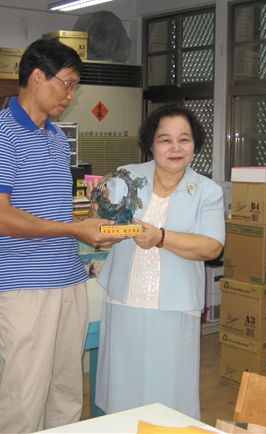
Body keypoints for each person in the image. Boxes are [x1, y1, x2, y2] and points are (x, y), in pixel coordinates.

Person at [0, 38, 118, 434]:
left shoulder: (55, 137)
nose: (71, 95)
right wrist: (73, 229)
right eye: (67, 84)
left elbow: (50, 211)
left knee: (66, 396)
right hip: (21, 289)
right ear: (37, 77)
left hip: (68, 281)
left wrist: (91, 224)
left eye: (74, 87)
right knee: (24, 403)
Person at [93, 104, 226, 418]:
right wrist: (101, 221)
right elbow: (99, 227)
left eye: (184, 139)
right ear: (151, 144)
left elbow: (211, 247)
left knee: (169, 389)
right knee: (123, 387)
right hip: (125, 300)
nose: (175, 148)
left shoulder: (207, 191)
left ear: (195, 144)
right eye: (165, 140)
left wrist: (161, 237)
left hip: (175, 305)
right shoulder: (126, 177)